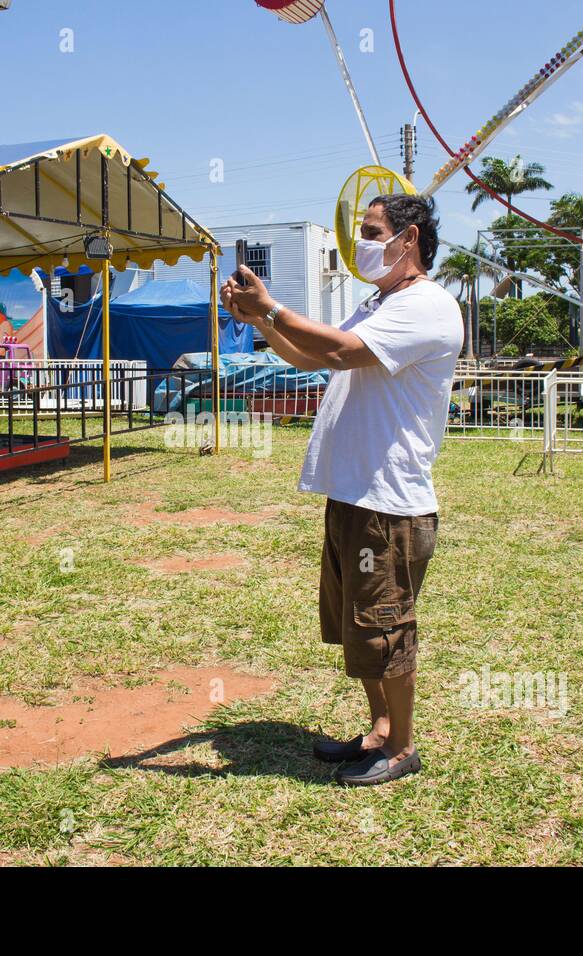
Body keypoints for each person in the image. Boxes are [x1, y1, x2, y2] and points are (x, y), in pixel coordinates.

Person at [223, 194, 463, 787]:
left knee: (385, 623)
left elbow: (337, 349)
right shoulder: (379, 304)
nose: (362, 240)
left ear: (409, 239)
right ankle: (380, 728)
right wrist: (259, 320)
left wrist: (272, 306)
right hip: (353, 492)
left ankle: (402, 746)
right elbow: (312, 355)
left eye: (372, 230)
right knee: (359, 625)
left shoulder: (427, 305)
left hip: (389, 501)